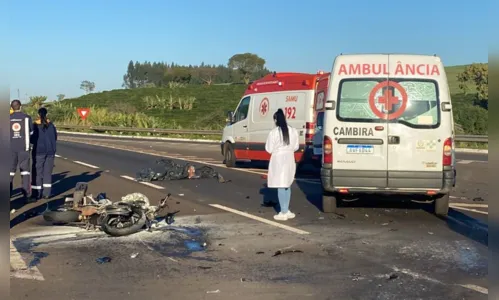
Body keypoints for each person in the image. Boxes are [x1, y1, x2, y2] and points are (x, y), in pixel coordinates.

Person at [265, 108, 300, 221]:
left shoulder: (274, 132)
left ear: (276, 120)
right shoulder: (293, 131)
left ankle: (283, 212)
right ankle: (286, 209)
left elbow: (269, 149)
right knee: (287, 184)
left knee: (280, 184)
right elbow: (296, 147)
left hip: (278, 159)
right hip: (290, 158)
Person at [30, 107, 58, 200]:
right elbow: (55, 137)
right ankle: (47, 193)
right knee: (47, 173)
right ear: (47, 114)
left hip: (39, 151)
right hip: (50, 151)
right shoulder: (51, 125)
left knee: (37, 172)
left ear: (38, 114)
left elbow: (32, 139)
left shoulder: (35, 125)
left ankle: (37, 193)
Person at [10, 99, 34, 201]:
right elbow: (31, 132)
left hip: (10, 149)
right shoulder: (27, 118)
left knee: (9, 173)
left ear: (11, 108)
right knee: (25, 173)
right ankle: (27, 195)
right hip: (24, 148)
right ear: (20, 106)